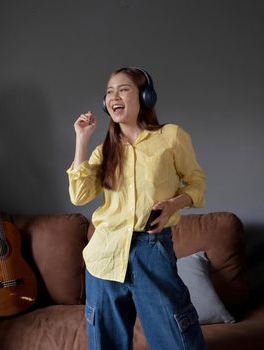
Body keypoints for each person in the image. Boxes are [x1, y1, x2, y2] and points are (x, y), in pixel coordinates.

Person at [66, 67, 207, 350]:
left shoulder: (171, 136)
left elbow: (196, 184)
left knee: (176, 339)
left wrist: (173, 205)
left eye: (123, 89)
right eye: (108, 92)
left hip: (151, 250)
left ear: (145, 96)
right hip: (104, 255)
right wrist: (81, 139)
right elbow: (79, 195)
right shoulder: (104, 150)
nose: (113, 96)